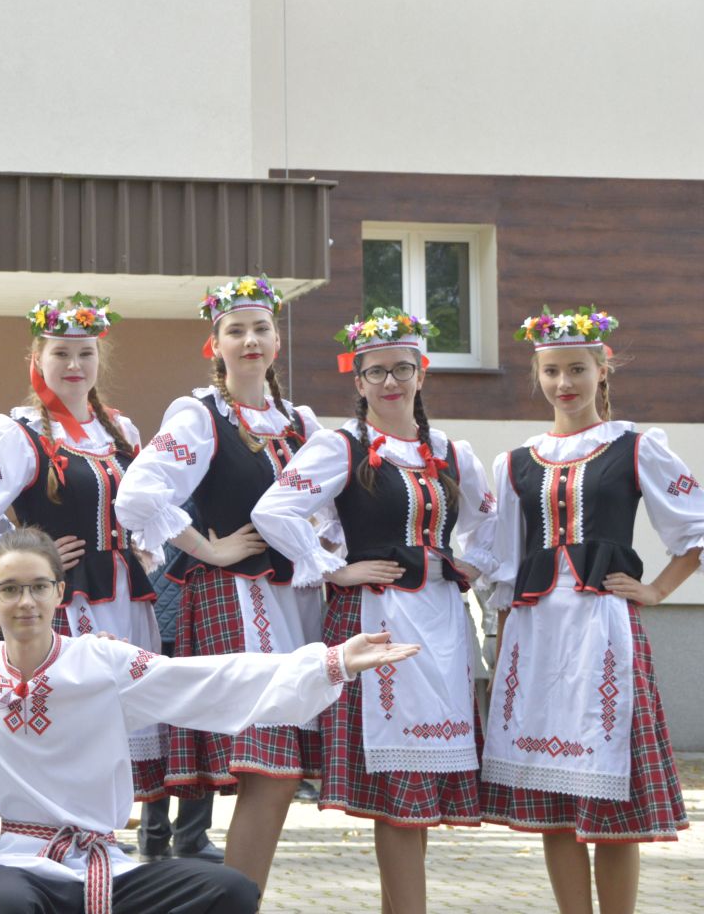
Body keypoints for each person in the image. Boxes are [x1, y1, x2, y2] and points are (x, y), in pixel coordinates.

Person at [0, 526, 418, 914]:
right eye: (9, 589)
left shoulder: (101, 662)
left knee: (230, 891)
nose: (25, 601)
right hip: (19, 862)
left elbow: (207, 680)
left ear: (59, 591)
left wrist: (330, 661)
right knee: (0, 906)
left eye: (38, 586)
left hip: (101, 861)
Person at [251, 307, 499, 914]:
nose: (390, 382)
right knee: (399, 794)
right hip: (375, 620)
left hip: (442, 622)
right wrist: (333, 568)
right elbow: (274, 509)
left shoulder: (449, 451)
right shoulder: (342, 447)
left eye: (401, 369)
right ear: (358, 381)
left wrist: (470, 564)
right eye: (376, 372)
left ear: (421, 374)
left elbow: (492, 520)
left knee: (418, 791)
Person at [481, 307, 699, 914]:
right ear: (538, 375)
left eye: (576, 368)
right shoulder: (516, 462)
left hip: (604, 632)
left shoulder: (635, 447)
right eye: (551, 371)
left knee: (612, 804)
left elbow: (695, 527)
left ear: (602, 370)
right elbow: (504, 567)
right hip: (535, 636)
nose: (564, 383)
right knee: (552, 800)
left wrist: (657, 590)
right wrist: (500, 654)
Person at [114, 274, 325, 892]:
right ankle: (235, 900)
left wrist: (330, 555)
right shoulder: (200, 415)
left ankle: (236, 898)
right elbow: (138, 493)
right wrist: (208, 548)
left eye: (261, 329)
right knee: (270, 766)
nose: (250, 340)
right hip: (239, 597)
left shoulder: (301, 422)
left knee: (282, 772)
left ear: (277, 341)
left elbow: (331, 506)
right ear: (216, 345)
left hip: (297, 601)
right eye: (236, 331)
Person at [0, 294, 165, 800]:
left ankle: (99, 834)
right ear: (37, 359)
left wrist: (144, 548)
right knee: (66, 724)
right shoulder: (17, 434)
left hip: (125, 597)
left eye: (85, 353)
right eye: (61, 353)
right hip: (63, 602)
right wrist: (27, 553)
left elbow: (144, 507)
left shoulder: (121, 430)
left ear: (99, 359)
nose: (74, 365)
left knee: (116, 725)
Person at [133, 523, 218, 863]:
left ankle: (158, 835)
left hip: (155, 606)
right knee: (192, 725)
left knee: (165, 726)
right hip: (184, 608)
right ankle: (187, 835)